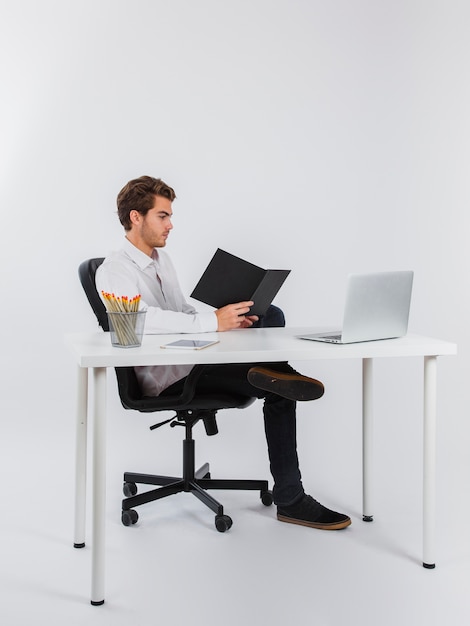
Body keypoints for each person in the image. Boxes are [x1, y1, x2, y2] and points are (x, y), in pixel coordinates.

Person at [96, 175, 351, 531]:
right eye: (163, 216)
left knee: (268, 315)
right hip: (167, 377)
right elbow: (136, 323)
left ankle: (276, 373)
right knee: (278, 390)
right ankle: (291, 498)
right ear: (136, 217)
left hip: (192, 357)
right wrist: (211, 322)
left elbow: (181, 312)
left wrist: (225, 320)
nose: (171, 224)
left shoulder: (161, 261)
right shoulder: (114, 270)